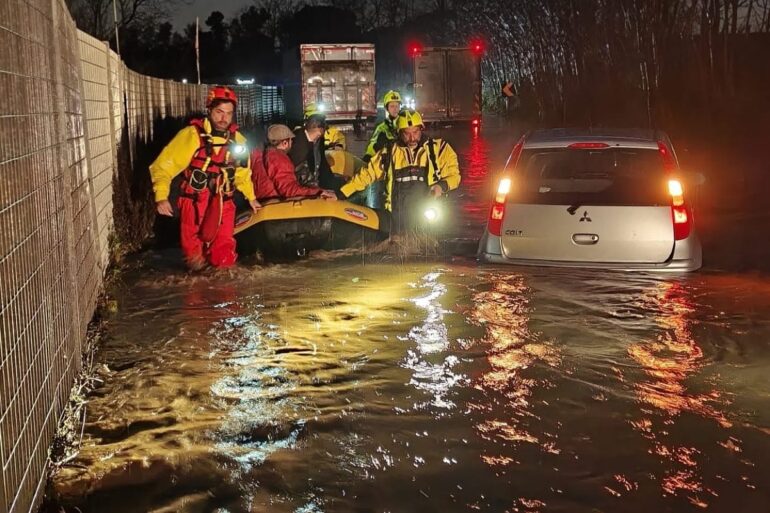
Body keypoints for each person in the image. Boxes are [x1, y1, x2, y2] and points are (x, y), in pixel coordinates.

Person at [150, 86, 260, 270]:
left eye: (228, 113)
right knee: (194, 259)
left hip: (223, 203)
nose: (223, 118)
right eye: (219, 112)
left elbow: (242, 172)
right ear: (209, 110)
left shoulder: (238, 140)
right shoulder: (191, 136)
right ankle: (198, 292)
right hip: (193, 203)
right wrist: (161, 197)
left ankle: (225, 292)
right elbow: (163, 166)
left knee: (224, 256)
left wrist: (251, 197)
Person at [337, 109, 461, 233]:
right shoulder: (388, 153)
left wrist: (441, 186)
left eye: (416, 132)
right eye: (407, 133)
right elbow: (366, 175)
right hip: (397, 217)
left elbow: (454, 176)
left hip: (429, 215)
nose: (412, 138)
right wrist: (340, 194)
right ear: (399, 133)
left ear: (422, 129)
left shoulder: (440, 150)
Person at [251, 124, 337, 200]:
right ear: (285, 143)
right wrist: (318, 192)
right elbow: (289, 190)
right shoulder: (278, 159)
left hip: (262, 200)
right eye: (291, 140)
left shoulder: (258, 155)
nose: (292, 143)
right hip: (274, 203)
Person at [288, 103, 341, 191]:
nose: (325, 126)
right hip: (304, 188)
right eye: (322, 122)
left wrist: (332, 180)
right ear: (313, 123)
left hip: (318, 183)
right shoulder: (297, 142)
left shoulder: (319, 140)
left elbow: (322, 163)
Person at [363, 90, 401, 162]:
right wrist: (368, 156)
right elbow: (373, 144)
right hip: (389, 160)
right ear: (387, 109)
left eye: (397, 106)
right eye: (392, 106)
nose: (395, 109)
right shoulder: (381, 127)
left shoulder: (405, 123)